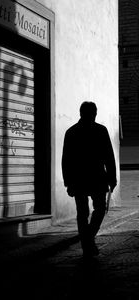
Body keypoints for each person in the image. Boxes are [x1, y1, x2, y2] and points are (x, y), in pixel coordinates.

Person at [62, 101, 117, 257]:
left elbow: (66, 160)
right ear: (94, 113)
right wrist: (112, 179)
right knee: (99, 209)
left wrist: (68, 182)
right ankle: (89, 240)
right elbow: (109, 157)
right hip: (97, 178)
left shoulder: (71, 132)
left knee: (82, 213)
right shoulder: (101, 131)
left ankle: (87, 241)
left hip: (79, 180)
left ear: (80, 113)